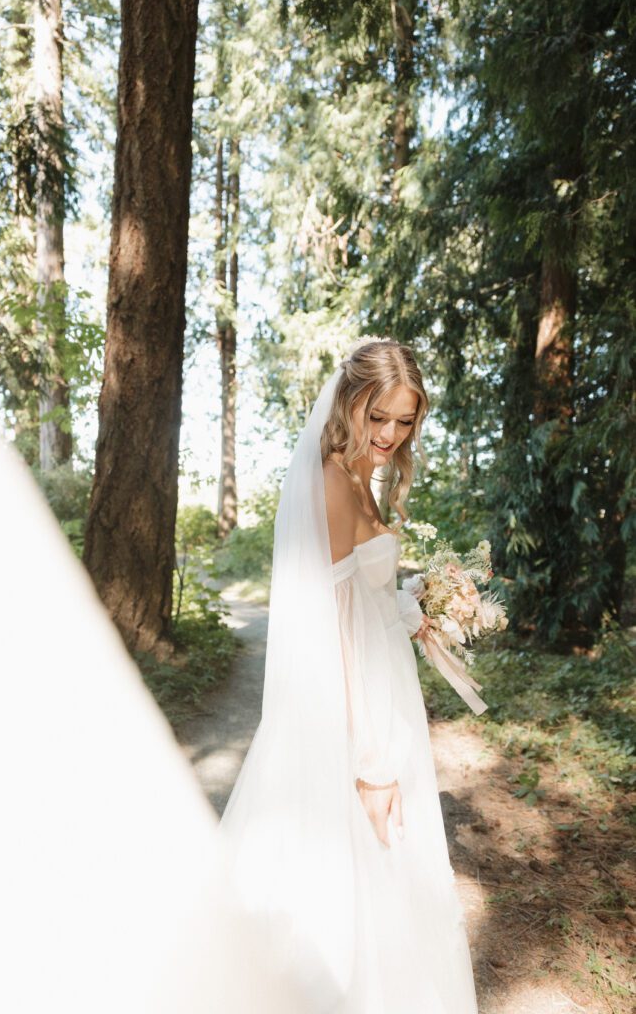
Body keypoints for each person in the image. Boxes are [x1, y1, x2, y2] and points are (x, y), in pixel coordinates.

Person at [219, 339, 480, 1013]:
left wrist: (417, 603)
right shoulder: (332, 482)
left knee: (389, 881)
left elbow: (360, 599)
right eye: (378, 417)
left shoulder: (358, 474)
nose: (390, 434)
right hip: (356, 716)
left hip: (382, 696)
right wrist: (370, 762)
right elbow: (330, 631)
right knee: (356, 884)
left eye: (404, 421)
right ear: (349, 403)